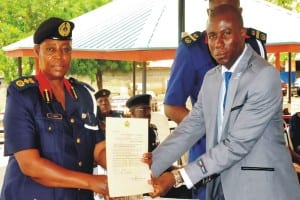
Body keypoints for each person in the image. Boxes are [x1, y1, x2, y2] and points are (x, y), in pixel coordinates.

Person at [150, 5, 300, 200]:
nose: (218, 43)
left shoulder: (263, 76)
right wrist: (145, 171)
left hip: (261, 191)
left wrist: (177, 177)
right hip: (218, 189)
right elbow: (189, 129)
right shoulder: (212, 79)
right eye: (212, 36)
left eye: (226, 34)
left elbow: (235, 145)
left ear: (242, 34)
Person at [163, 0, 267, 199]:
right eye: (216, 11)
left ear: (240, 13)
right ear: (208, 13)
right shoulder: (191, 50)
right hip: (207, 164)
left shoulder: (256, 45)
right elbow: (171, 107)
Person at [0, 17, 109, 200]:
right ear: (37, 51)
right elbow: (30, 165)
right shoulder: (22, 95)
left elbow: (99, 149)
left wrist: (126, 169)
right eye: (51, 49)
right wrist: (91, 181)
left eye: (66, 49)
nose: (59, 56)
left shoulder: (84, 95)